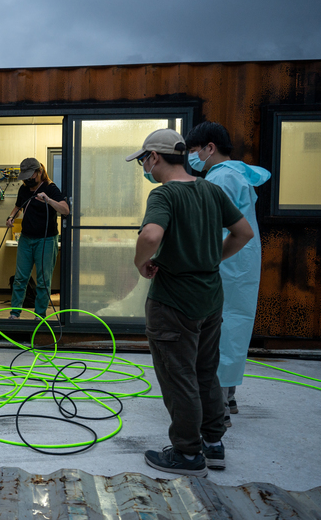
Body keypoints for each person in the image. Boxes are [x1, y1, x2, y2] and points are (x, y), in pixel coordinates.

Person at [127, 128, 253, 477]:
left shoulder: (164, 195)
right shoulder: (211, 190)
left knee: (178, 375)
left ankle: (186, 454)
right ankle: (214, 444)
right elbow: (244, 233)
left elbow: (151, 235)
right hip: (210, 298)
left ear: (153, 157)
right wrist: (212, 259)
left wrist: (141, 264)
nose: (144, 166)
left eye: (143, 159)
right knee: (204, 371)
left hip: (173, 301)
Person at [185, 122, 271, 428]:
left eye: (194, 151)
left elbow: (209, 224)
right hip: (242, 262)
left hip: (225, 260)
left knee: (215, 332)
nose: (192, 158)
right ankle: (229, 395)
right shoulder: (239, 174)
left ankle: (216, 408)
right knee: (234, 326)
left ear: (210, 148)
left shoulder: (220, 178)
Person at [5, 158, 70, 320]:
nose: (28, 180)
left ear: (40, 172)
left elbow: (65, 210)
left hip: (46, 240)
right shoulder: (24, 188)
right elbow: (18, 206)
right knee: (20, 279)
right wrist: (11, 216)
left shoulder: (51, 188)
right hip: (26, 239)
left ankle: (39, 316)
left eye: (31, 176)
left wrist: (48, 200)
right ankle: (14, 314)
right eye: (25, 177)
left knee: (43, 282)